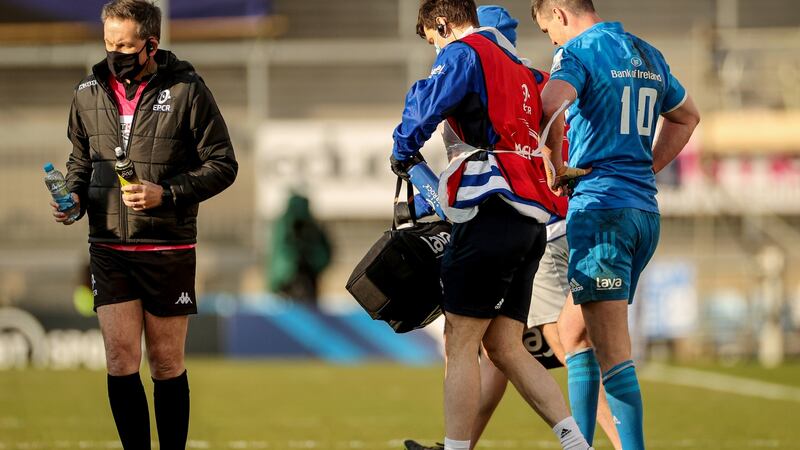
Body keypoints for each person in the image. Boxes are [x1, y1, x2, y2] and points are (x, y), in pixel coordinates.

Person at [404, 6, 620, 450]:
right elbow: (555, 117)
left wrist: (401, 147)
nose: (436, 48)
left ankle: (456, 449)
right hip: (534, 215)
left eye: (433, 38)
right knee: (505, 347)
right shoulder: (531, 73)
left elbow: (425, 107)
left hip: (492, 207)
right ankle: (577, 444)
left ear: (442, 24)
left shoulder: (467, 53)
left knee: (461, 341)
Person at [50, 1, 237, 449]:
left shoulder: (188, 89)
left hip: (167, 248)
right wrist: (74, 198)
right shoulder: (86, 92)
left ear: (151, 45)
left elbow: (223, 164)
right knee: (119, 360)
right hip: (108, 248)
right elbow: (81, 161)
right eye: (108, 44)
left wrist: (166, 193)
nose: (115, 54)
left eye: (125, 46)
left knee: (166, 363)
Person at [533, 1, 701, 449]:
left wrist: (554, 163)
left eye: (548, 29)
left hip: (602, 212)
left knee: (613, 354)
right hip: (642, 213)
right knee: (572, 333)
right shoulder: (647, 53)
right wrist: (647, 168)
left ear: (559, 14)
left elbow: (550, 105)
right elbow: (687, 116)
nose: (551, 39)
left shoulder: (578, 52)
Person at [268, 191, 332, 305]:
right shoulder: (285, 226)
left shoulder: (311, 227)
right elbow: (279, 257)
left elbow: (323, 254)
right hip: (289, 281)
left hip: (303, 279)